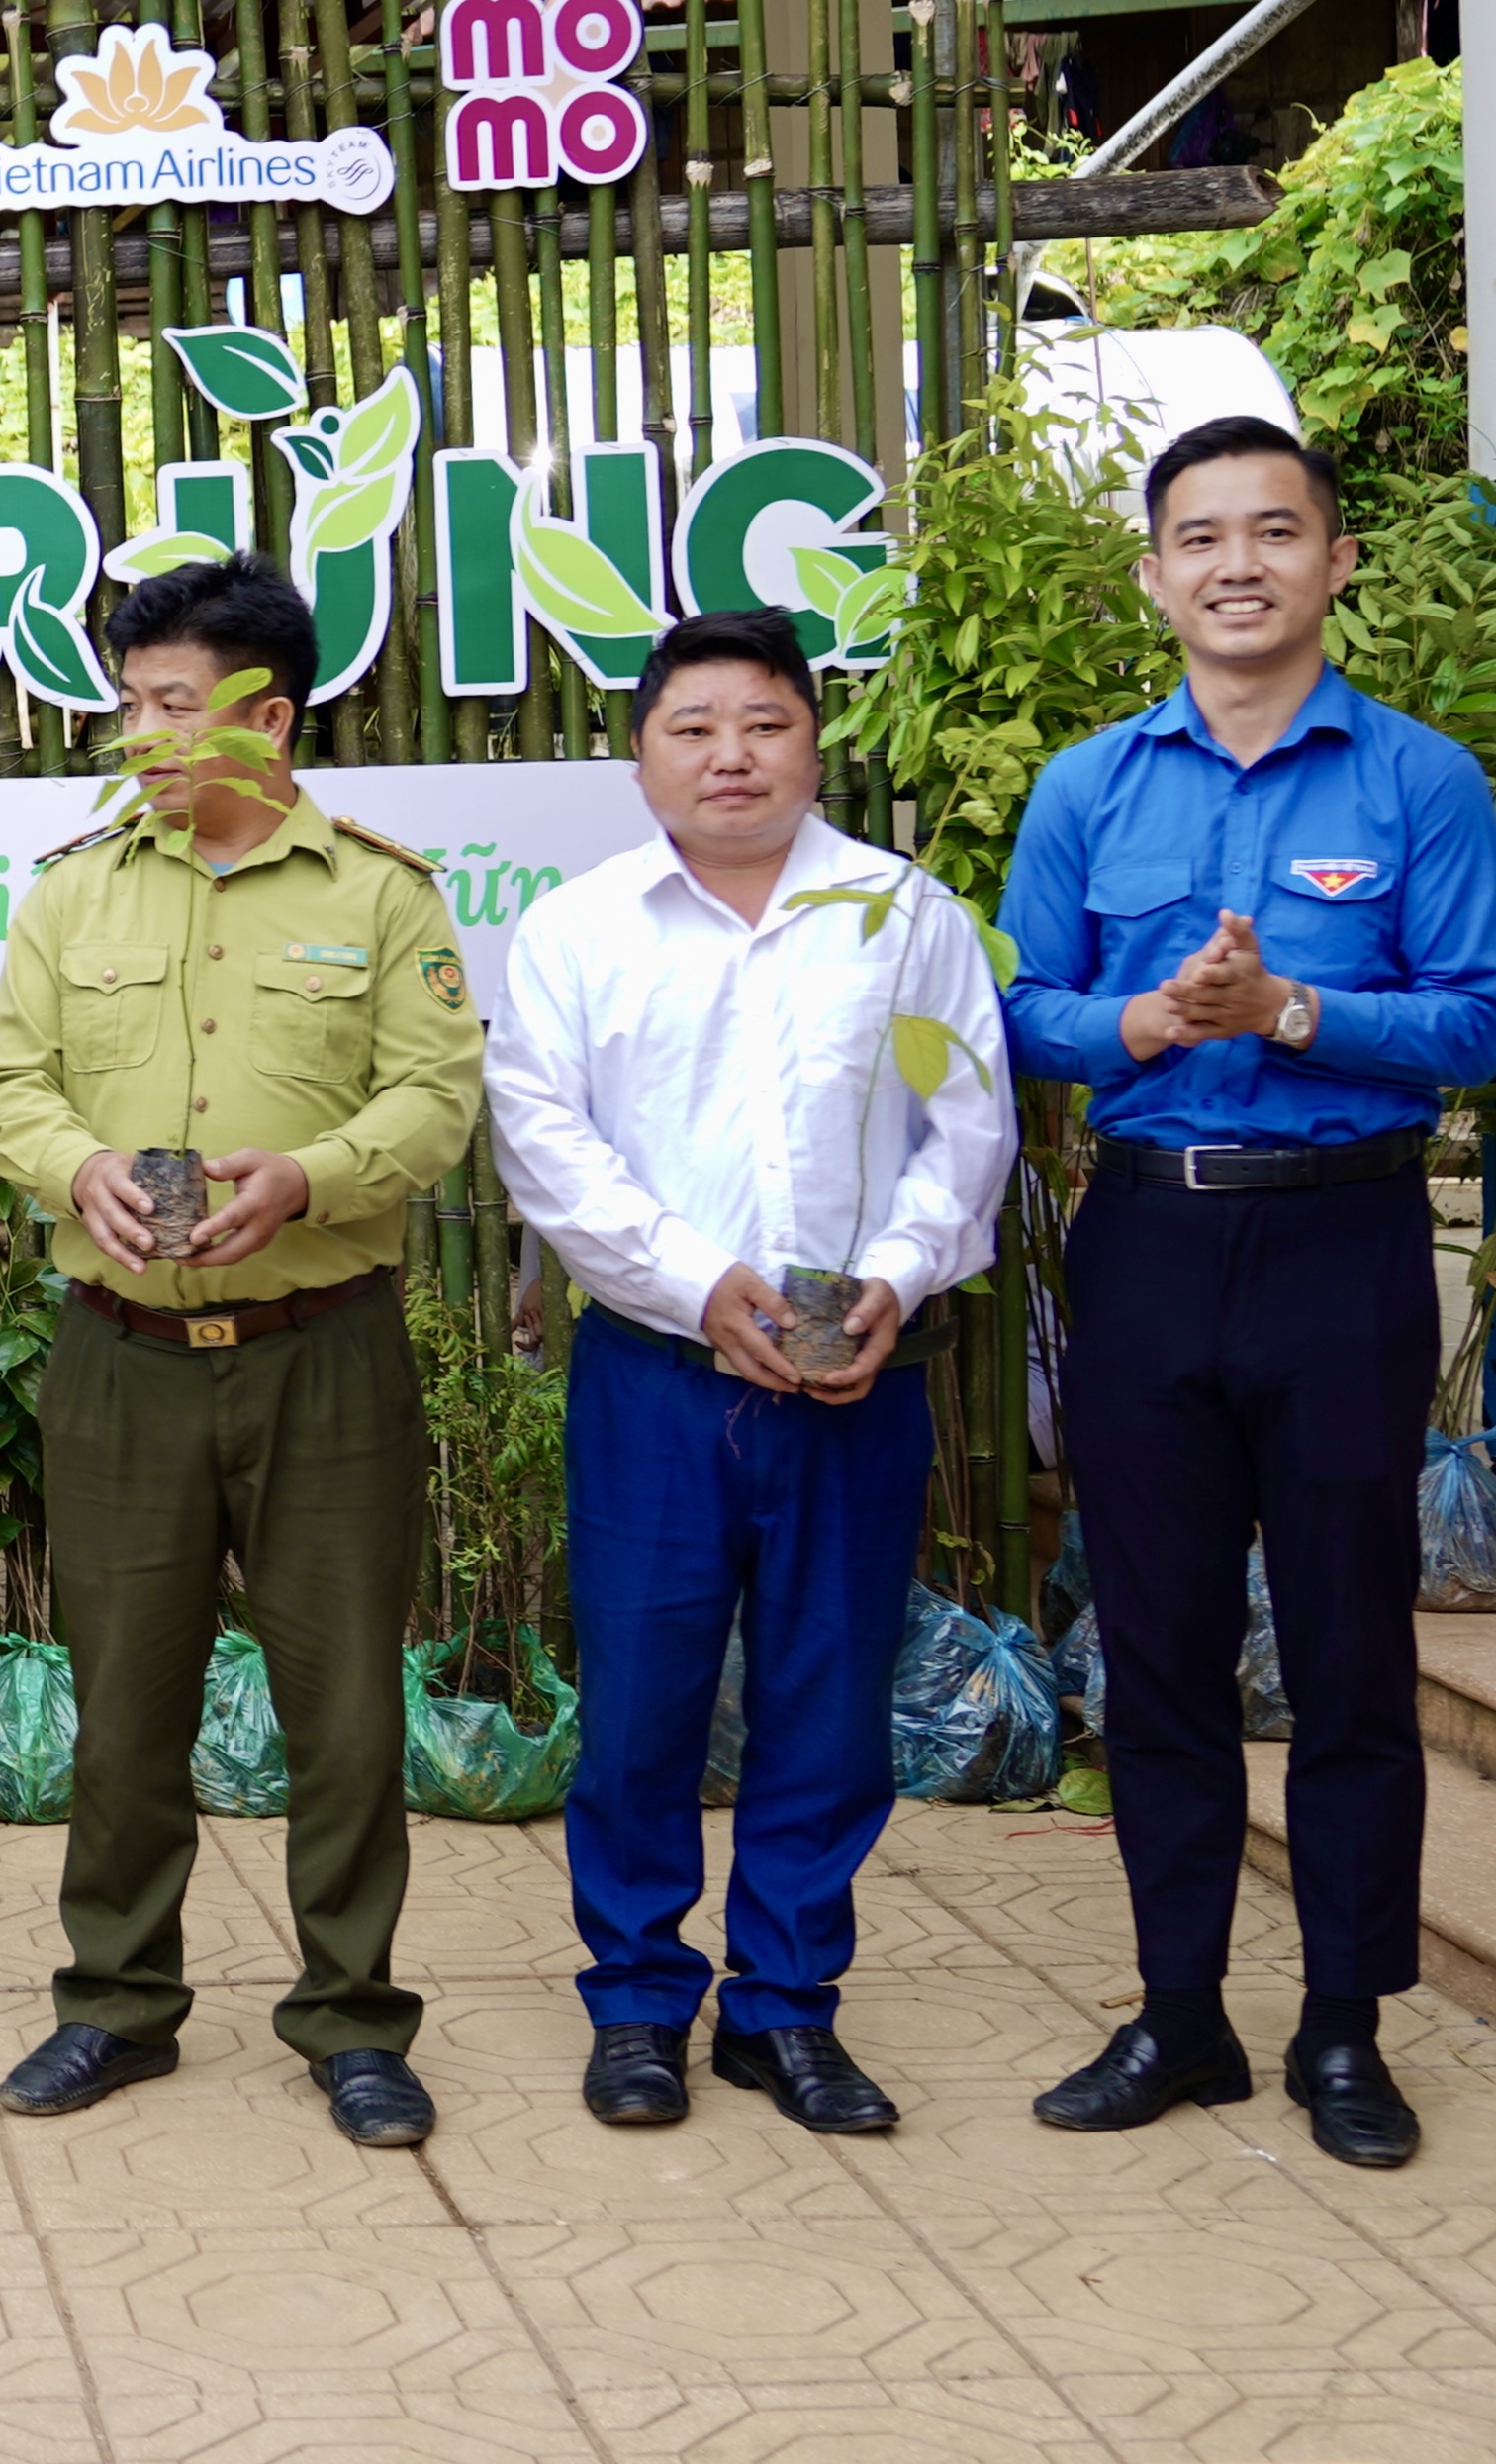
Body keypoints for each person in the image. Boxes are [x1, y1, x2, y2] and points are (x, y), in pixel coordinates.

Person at [996, 416, 1496, 2173]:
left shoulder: (1416, 781)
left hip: (1339, 1245)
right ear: (1153, 573)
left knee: (1353, 1655)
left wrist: (1293, 1010)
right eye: (1199, 535)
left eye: (1273, 531)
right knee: (1156, 1655)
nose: (1237, 562)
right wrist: (1141, 1023)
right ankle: (1180, 2010)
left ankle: (1346, 2027)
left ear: (1333, 560)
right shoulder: (1088, 788)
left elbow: (1478, 1020)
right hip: (1146, 1237)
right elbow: (1018, 1006)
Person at [0, 553, 482, 2150]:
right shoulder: (74, 887)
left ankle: (351, 2015)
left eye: (174, 704)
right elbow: (6, 1084)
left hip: (324, 1348)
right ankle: (116, 2000)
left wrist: (309, 1178)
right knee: (124, 1701)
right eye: (130, 703)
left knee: (343, 1710)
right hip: (120, 1353)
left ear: (269, 713)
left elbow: (438, 1097)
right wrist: (76, 1170)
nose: (143, 734)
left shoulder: (381, 894)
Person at [482, 609, 1014, 2138]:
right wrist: (693, 1281)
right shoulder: (578, 927)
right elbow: (545, 1143)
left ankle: (784, 2008)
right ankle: (637, 2000)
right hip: (658, 1375)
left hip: (855, 1373)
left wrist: (893, 1282)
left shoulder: (900, 914)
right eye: (692, 726)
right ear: (637, 753)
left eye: (763, 723)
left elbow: (963, 1125)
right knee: (641, 1701)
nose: (729, 754)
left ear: (810, 740)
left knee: (825, 1701)